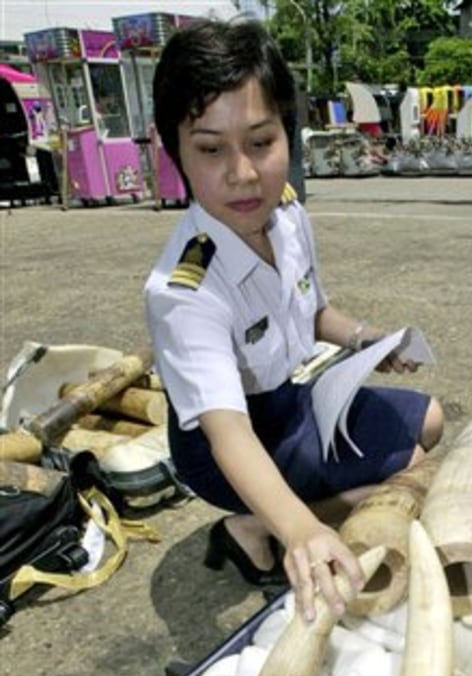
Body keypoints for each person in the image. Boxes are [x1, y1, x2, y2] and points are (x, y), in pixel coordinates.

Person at [145, 17, 443, 622]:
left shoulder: (287, 217)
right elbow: (227, 433)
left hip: (295, 400)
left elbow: (313, 314)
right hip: (228, 443)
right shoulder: (184, 290)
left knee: (432, 421)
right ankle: (262, 525)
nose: (244, 173)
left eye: (261, 141)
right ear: (174, 152)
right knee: (415, 471)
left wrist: (369, 341)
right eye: (210, 149)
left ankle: (265, 523)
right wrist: (303, 532)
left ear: (289, 132)